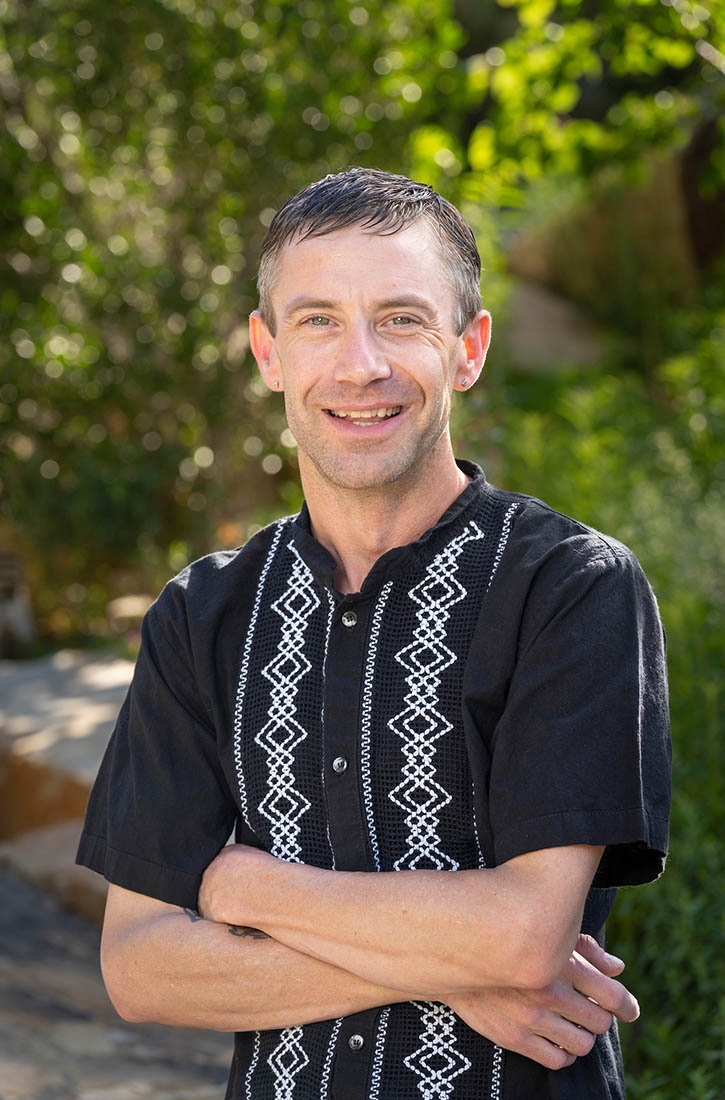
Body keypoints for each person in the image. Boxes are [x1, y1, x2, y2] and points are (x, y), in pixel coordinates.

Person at [77, 167, 671, 1100]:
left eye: (401, 318)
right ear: (268, 353)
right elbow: (142, 968)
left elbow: (524, 935)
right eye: (317, 320)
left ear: (467, 348)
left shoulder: (569, 587)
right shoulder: (200, 615)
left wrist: (243, 889)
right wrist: (462, 969)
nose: (360, 365)